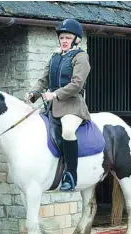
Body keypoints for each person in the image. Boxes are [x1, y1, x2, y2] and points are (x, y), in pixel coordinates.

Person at [25, 18, 91, 192]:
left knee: (68, 131)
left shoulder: (81, 57)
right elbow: (44, 79)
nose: (64, 41)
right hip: (52, 106)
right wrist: (34, 93)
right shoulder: (54, 57)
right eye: (62, 38)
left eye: (68, 38)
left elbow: (77, 84)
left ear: (76, 40)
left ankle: (71, 175)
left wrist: (55, 94)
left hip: (72, 106)